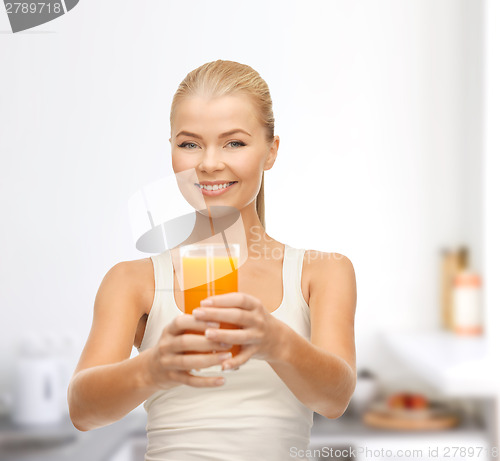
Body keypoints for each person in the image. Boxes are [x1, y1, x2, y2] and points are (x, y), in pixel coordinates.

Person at [67, 59, 357, 460]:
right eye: (189, 144)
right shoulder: (134, 281)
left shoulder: (321, 272)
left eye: (234, 142)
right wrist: (150, 369)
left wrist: (276, 341)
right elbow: (82, 410)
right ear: (171, 150)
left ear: (271, 151)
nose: (208, 163)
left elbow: (335, 398)